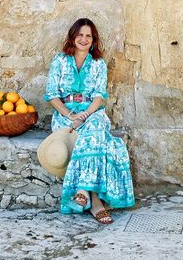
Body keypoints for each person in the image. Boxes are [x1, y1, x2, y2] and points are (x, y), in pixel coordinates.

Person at [44, 18, 135, 224]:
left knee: (93, 131)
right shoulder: (59, 60)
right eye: (80, 35)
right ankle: (96, 203)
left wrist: (84, 115)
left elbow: (99, 97)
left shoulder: (98, 64)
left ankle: (84, 190)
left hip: (92, 112)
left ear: (93, 40)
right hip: (64, 114)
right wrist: (70, 115)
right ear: (73, 37)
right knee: (98, 140)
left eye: (88, 36)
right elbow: (51, 95)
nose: (83, 39)